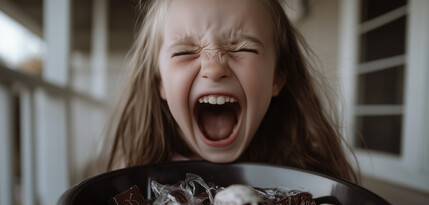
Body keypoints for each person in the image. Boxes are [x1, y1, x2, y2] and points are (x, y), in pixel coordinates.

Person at [100, 0, 359, 182]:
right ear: (160, 83)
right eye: (184, 52)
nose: (213, 68)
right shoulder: (130, 175)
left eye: (244, 48)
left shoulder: (312, 178)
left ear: (277, 77)